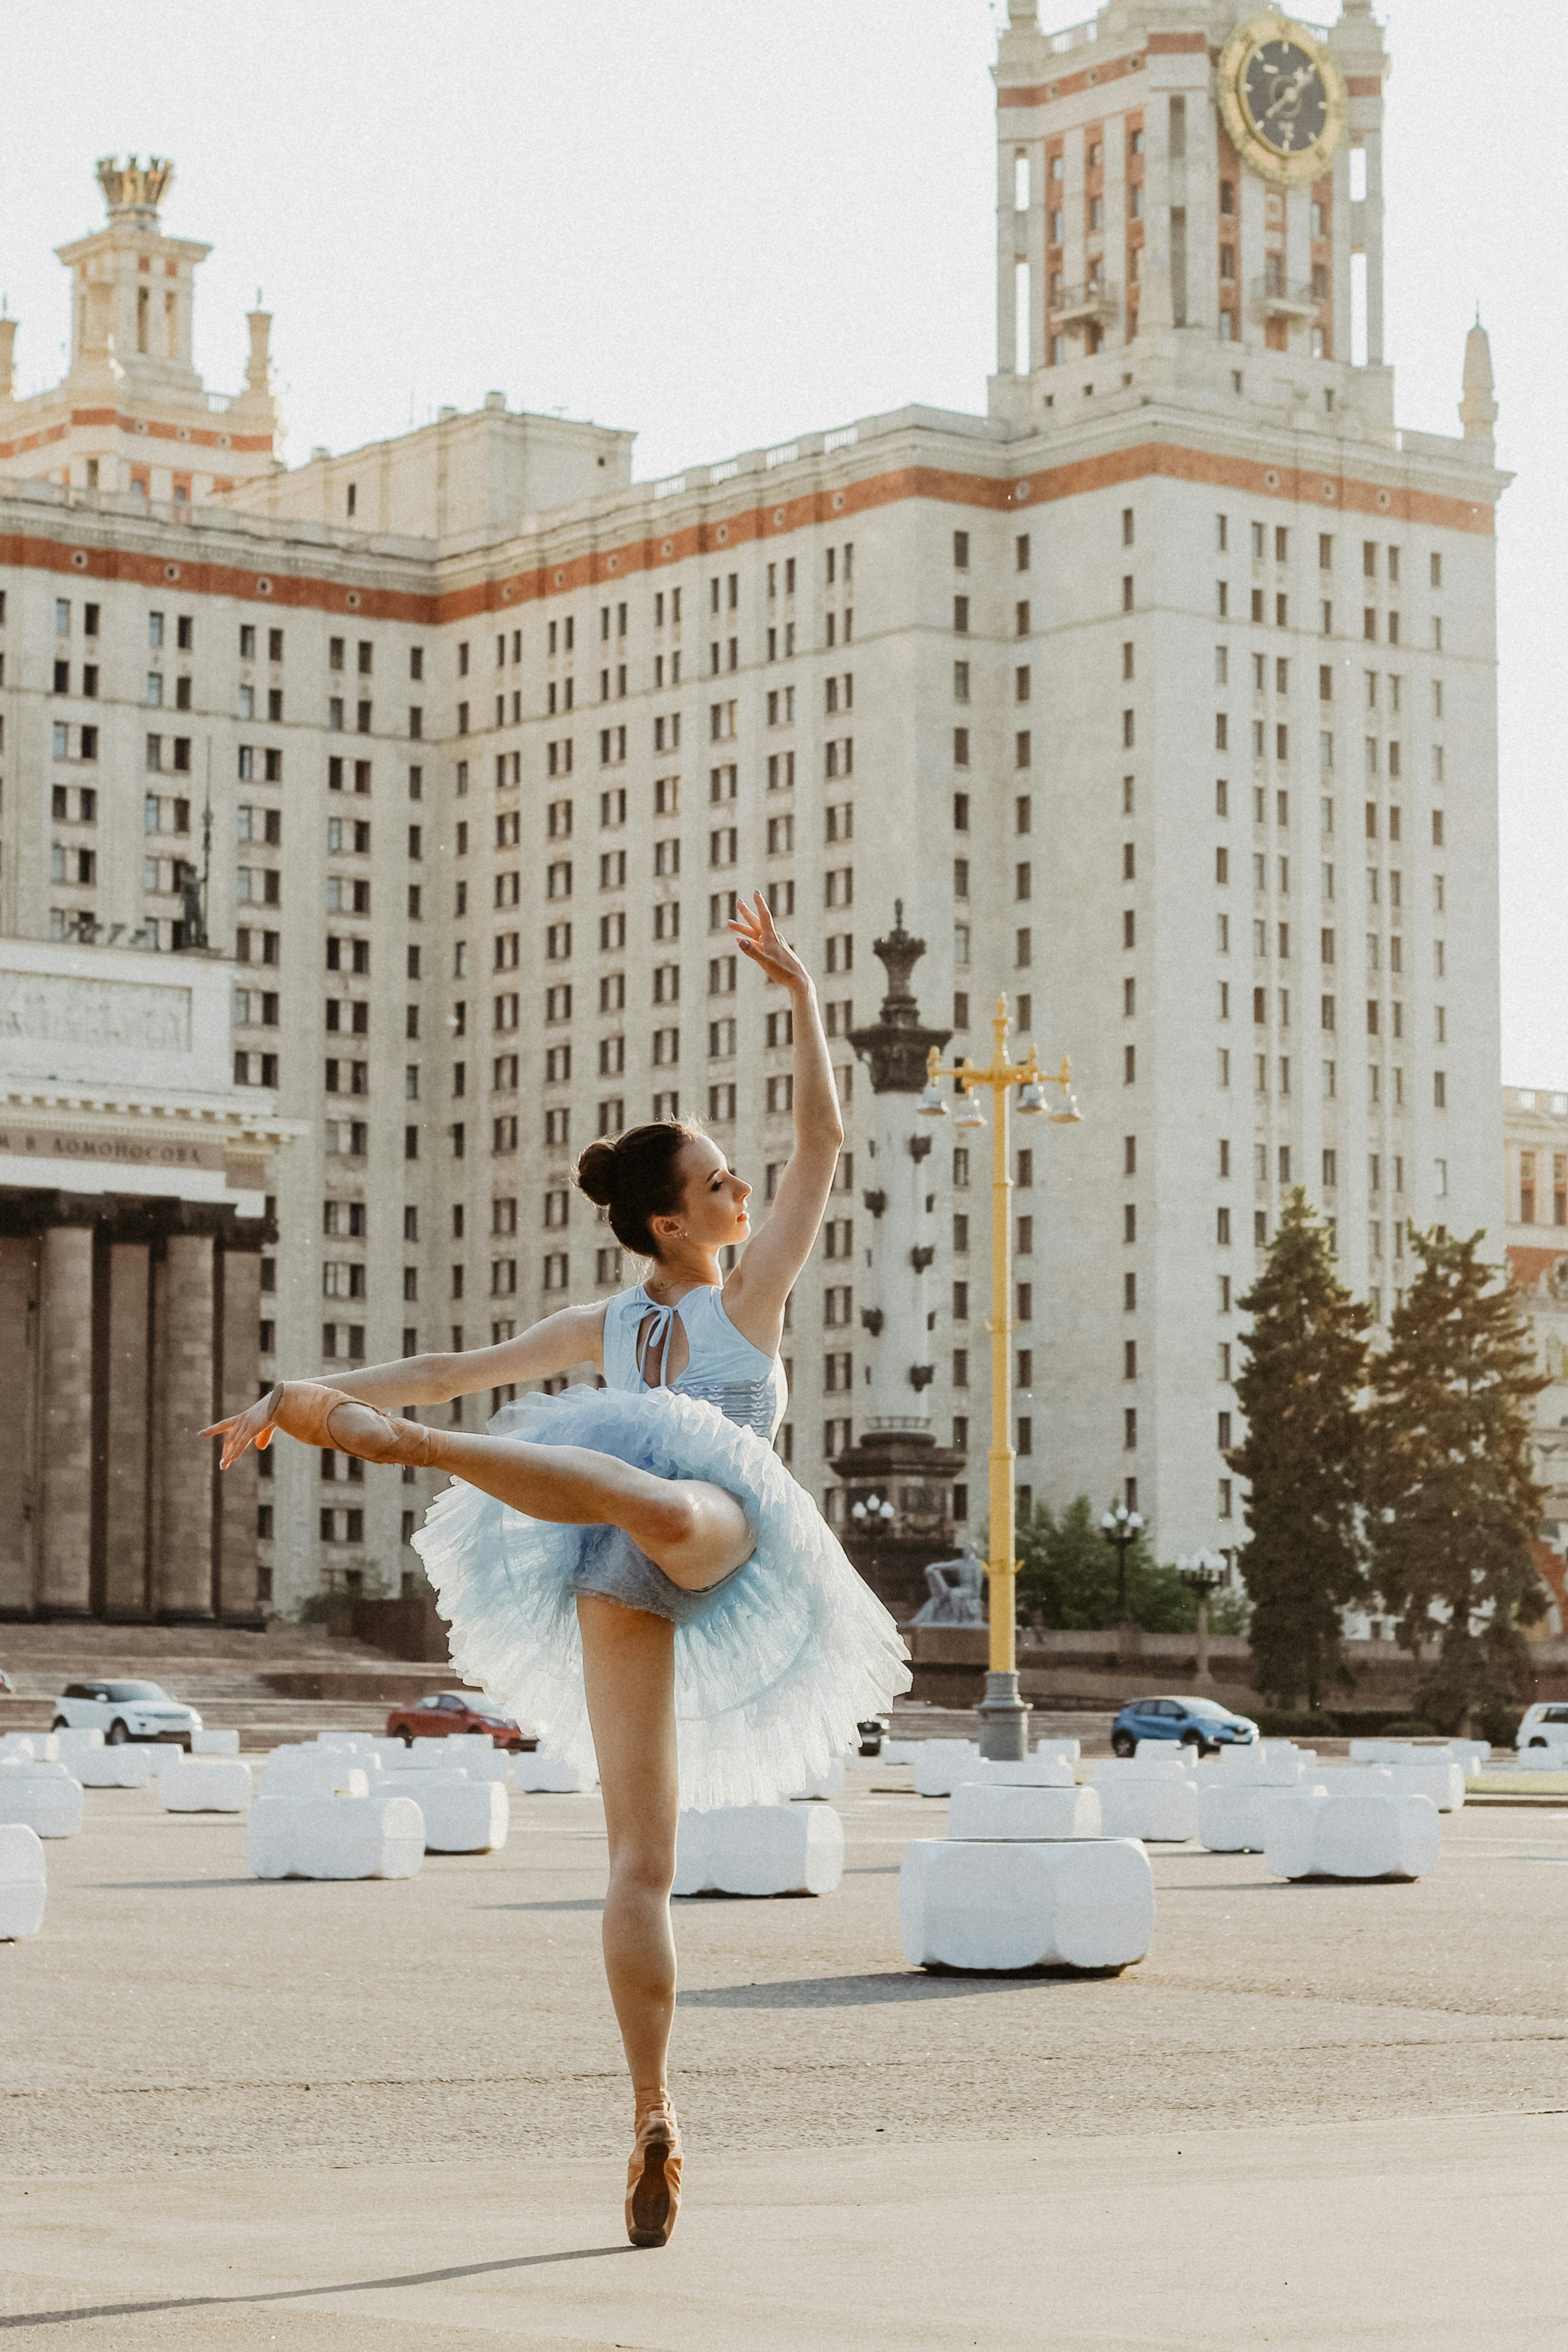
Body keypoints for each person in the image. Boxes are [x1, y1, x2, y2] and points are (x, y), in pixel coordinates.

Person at [203, 894, 909, 2249]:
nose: (743, 1193)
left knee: (637, 1491)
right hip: (667, 1541)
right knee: (641, 1858)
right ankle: (652, 2109)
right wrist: (302, 1389)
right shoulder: (728, 1300)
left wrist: (318, 1397)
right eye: (717, 1185)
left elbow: (449, 1372)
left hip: (653, 1527)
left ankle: (418, 1454)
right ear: (667, 1220)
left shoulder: (630, 1317)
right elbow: (826, 1138)